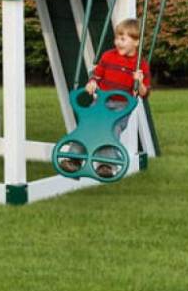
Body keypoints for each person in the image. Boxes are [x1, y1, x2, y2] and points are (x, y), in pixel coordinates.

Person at [58, 18, 151, 178]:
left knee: (111, 129)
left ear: (136, 42)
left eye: (123, 39)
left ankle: (105, 165)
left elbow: (144, 93)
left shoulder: (140, 65)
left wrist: (139, 82)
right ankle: (74, 160)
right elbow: (97, 76)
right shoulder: (108, 56)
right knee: (87, 125)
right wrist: (92, 82)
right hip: (101, 102)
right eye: (117, 38)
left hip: (123, 106)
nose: (118, 42)